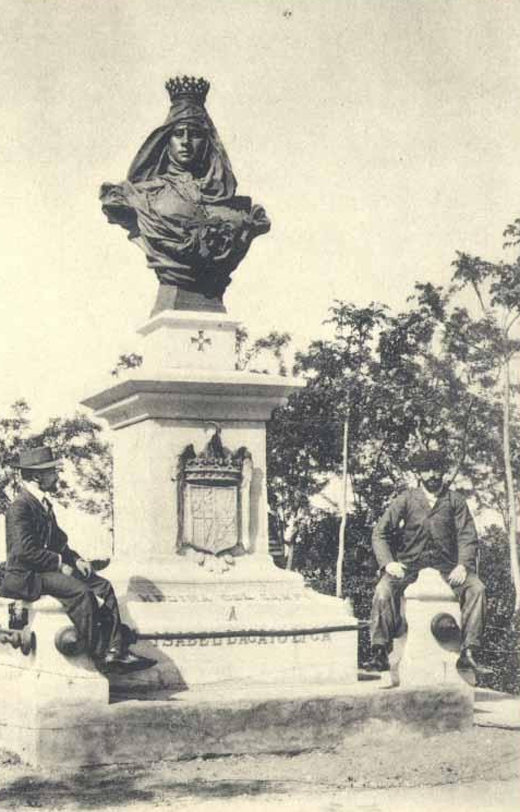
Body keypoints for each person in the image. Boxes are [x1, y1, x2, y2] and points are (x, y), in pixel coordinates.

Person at [100, 74, 270, 300]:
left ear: (208, 142)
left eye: (196, 134)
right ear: (166, 141)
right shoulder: (143, 196)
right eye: (178, 134)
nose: (186, 142)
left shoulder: (236, 209)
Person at [0, 446, 155, 673]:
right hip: (26, 576)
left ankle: (115, 651)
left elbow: (60, 543)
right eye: (52, 471)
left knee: (102, 585)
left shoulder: (43, 504)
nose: (56, 476)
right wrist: (59, 564)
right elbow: (24, 551)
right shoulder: (20, 507)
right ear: (37, 476)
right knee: (80, 592)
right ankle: (98, 653)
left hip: (43, 571)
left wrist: (77, 560)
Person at [369, 449, 491, 677]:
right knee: (383, 590)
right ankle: (379, 651)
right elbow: (380, 533)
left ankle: (468, 652)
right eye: (427, 470)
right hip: (409, 564)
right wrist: (388, 563)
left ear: (443, 472)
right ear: (419, 473)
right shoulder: (406, 498)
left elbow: (467, 535)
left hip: (447, 565)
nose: (433, 474)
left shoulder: (454, 500)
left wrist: (463, 564)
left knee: (477, 589)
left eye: (437, 469)